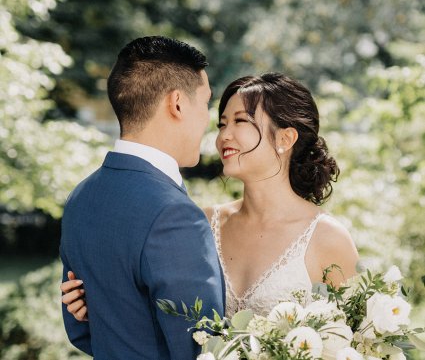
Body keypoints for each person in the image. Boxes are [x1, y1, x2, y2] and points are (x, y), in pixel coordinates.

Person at [62, 73, 358, 322]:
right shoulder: (200, 223)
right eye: (221, 124)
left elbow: (353, 343)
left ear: (285, 138)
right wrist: (97, 308)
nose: (223, 136)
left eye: (240, 121)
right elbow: (164, 325)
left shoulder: (327, 238)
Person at [59, 36, 225, 360]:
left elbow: (81, 330)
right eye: (205, 102)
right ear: (177, 103)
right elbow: (206, 351)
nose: (209, 119)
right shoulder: (175, 214)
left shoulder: (80, 198)